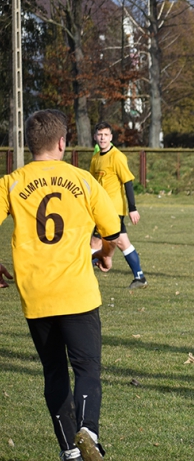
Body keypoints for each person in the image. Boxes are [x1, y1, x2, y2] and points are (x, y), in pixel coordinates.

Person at [0, 110, 120, 460]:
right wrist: (104, 253)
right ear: (62, 142)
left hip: (36, 296)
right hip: (77, 293)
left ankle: (70, 450)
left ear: (29, 143)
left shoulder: (12, 183)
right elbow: (112, 231)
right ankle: (88, 431)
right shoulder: (82, 180)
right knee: (86, 369)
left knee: (53, 372)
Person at [89, 122, 147, 289]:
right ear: (95, 137)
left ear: (111, 138)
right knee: (123, 242)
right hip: (101, 208)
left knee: (95, 242)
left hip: (112, 209)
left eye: (106, 135)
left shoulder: (117, 156)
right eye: (100, 135)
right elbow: (93, 184)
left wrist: (133, 208)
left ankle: (83, 278)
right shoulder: (95, 158)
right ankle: (139, 277)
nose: (102, 138)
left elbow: (127, 182)